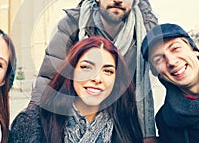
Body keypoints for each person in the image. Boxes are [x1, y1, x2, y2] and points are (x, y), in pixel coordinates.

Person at [31, 0, 158, 142]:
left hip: (122, 120)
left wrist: (148, 133)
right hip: (75, 114)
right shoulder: (73, 24)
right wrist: (33, 122)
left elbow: (163, 72)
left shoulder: (143, 32)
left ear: (134, 0)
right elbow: (49, 75)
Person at [10, 36, 143, 142]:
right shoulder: (33, 122)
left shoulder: (125, 123)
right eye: (86, 67)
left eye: (107, 71)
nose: (97, 78)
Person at [141, 23, 199, 143]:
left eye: (175, 48)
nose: (171, 61)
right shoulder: (166, 121)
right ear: (156, 72)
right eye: (158, 59)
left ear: (194, 49)